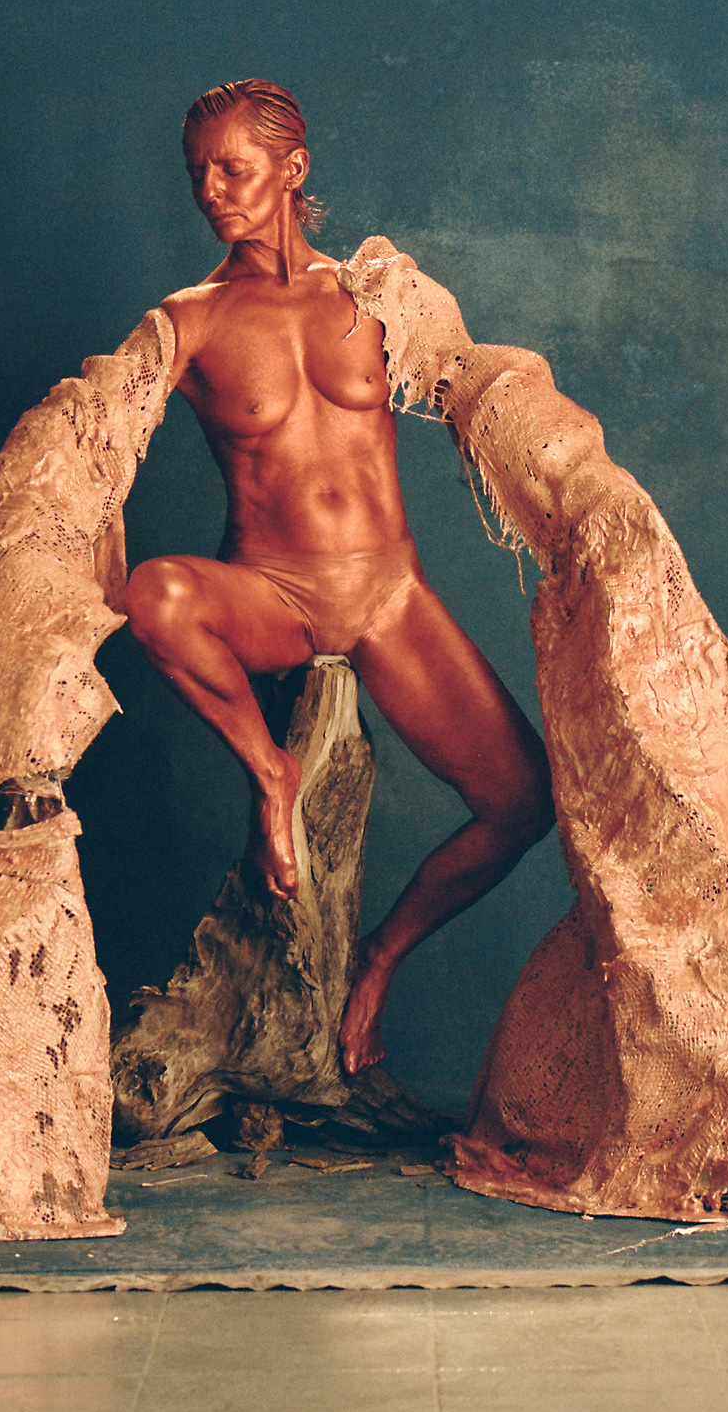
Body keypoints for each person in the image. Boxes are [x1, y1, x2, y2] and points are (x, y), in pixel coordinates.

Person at [125, 80, 554, 1074]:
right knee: (152, 593)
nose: (211, 191)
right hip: (270, 594)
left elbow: (479, 390)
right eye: (197, 173)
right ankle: (270, 774)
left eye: (232, 168)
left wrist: (571, 493)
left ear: (293, 168)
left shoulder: (380, 296)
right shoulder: (186, 321)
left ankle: (376, 957)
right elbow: (96, 441)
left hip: (388, 596)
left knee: (522, 801)